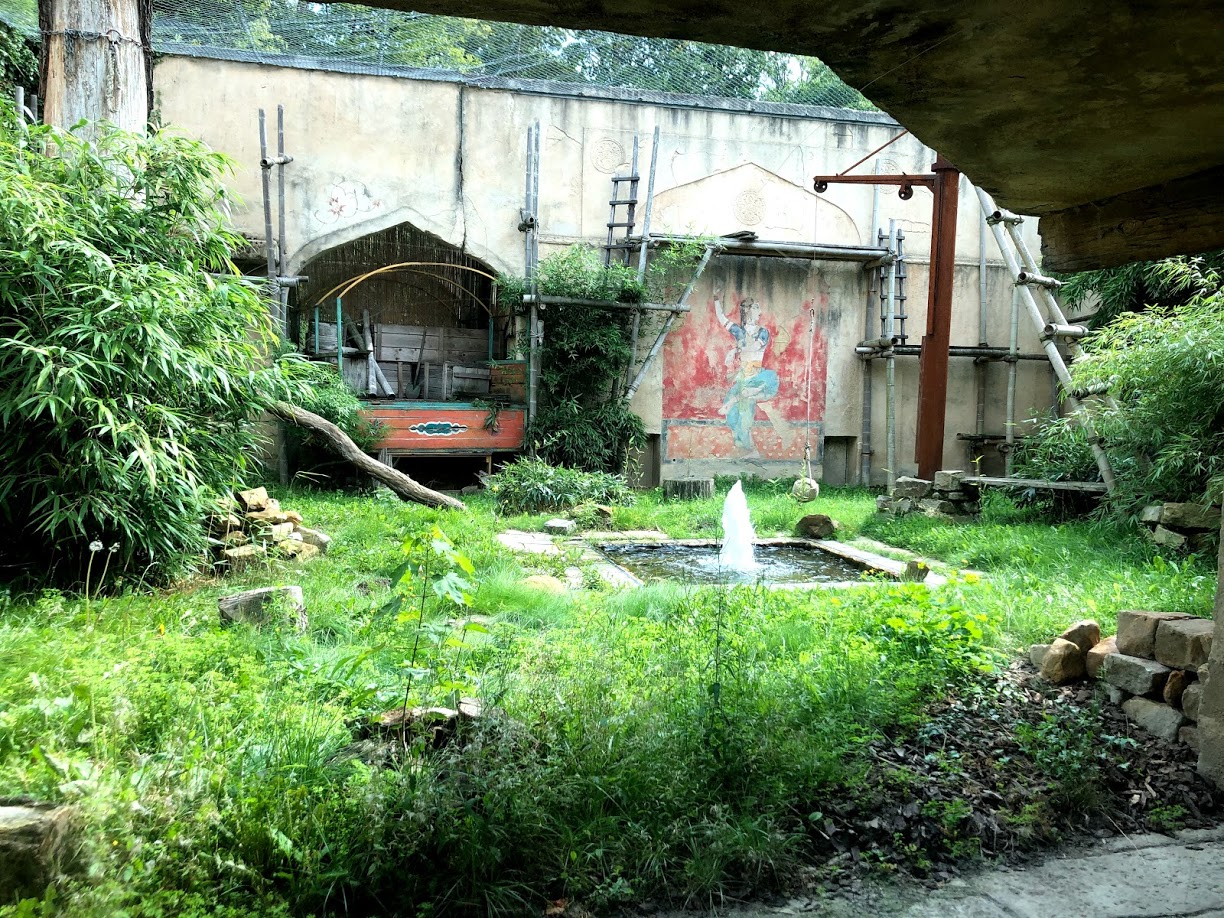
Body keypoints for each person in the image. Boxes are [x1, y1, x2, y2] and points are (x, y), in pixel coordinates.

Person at [713, 289, 779, 456]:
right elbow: (722, 319)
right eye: (757, 307)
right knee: (739, 414)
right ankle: (749, 449)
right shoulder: (739, 331)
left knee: (744, 399)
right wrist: (716, 299)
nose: (760, 311)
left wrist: (734, 349)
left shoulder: (762, 332)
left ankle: (733, 402)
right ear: (749, 310)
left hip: (758, 377)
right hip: (743, 376)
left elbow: (753, 347)